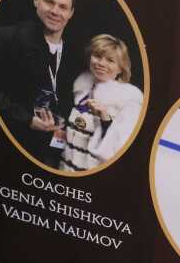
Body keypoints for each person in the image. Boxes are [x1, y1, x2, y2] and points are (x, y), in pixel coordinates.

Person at [0, 0, 80, 167]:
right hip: (9, 150)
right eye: (49, 2)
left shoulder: (76, 55)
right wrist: (26, 119)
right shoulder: (7, 38)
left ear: (71, 13)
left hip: (57, 156)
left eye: (63, 7)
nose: (55, 11)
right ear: (36, 0)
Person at [58, 34, 143, 173]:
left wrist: (105, 117)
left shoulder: (129, 101)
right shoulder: (81, 89)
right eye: (97, 56)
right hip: (65, 167)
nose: (101, 63)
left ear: (121, 68)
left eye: (110, 60)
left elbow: (118, 150)